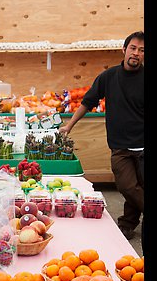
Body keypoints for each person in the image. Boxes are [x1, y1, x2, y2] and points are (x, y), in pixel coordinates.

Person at [59, 31, 144, 243]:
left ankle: (126, 225)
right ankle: (127, 223)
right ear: (124, 50)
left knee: (138, 189)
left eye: (142, 51)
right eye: (133, 48)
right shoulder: (108, 77)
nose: (136, 53)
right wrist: (69, 126)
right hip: (120, 147)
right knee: (127, 186)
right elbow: (88, 102)